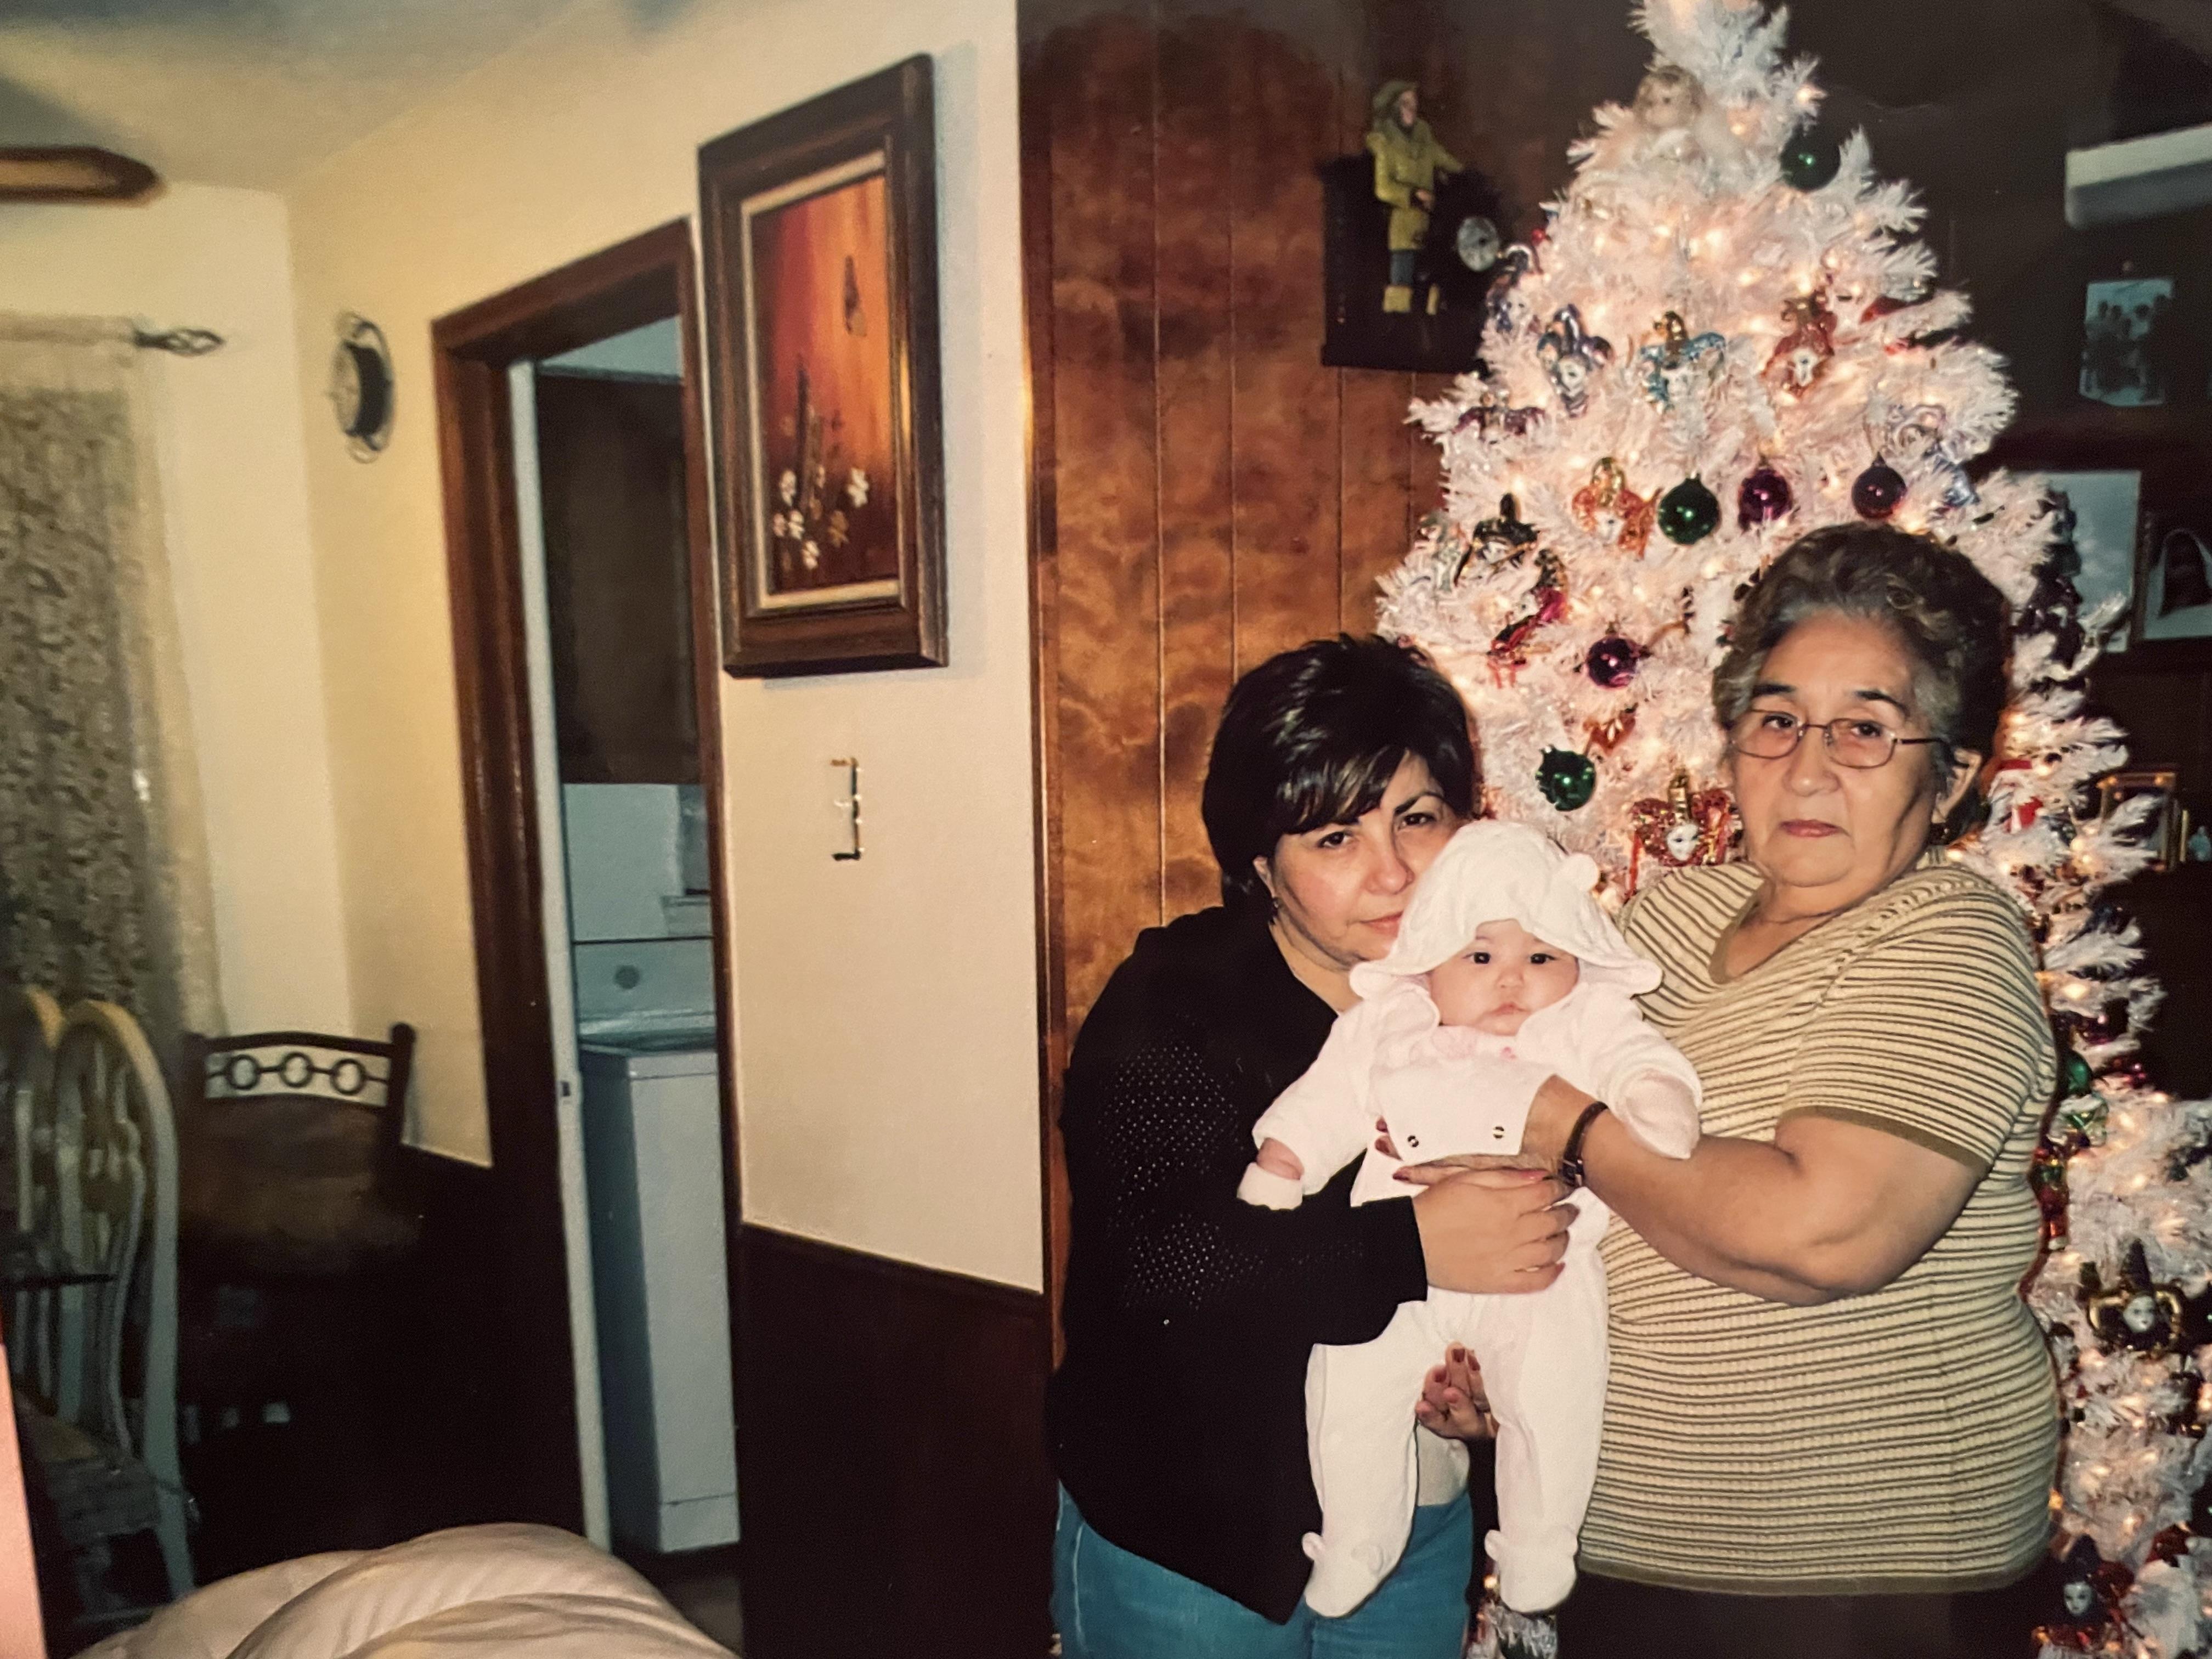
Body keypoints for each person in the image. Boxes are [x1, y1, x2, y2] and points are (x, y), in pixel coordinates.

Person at [1415, 526, 2059, 1657]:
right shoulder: (1662, 921)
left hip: (1858, 1587)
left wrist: (1570, 1122)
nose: (1808, 769)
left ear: (1950, 774)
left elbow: (1816, 1233)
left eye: (1866, 728)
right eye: (1775, 720)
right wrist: (1498, 1377)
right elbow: (1566, 1191)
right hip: (1624, 1561)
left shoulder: (1951, 936)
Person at [1046, 636, 1572, 1658]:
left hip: (1415, 1523)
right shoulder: (1171, 1002)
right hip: (1196, 1536)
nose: (1392, 871)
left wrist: (1485, 1393)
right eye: (1335, 837)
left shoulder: (1515, 989)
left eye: (1418, 817)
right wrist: (1414, 1245)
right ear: (1261, 865)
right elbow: (1166, 1264)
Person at [1238, 821, 1700, 1618]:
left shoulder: (1581, 1020)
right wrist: (1283, 1162)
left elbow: (1643, 1064)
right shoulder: (1397, 1024)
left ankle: (1539, 1539)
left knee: (1555, 1395)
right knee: (1349, 1385)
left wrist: (1657, 1108)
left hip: (1540, 1268)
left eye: (1541, 957)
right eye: (1481, 957)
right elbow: (1331, 1094)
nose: (1513, 981)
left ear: (1577, 962)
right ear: (1432, 962)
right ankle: (1356, 1532)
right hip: (1401, 1270)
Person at [1367, 82, 1460, 316]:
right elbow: (1383, 187)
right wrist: (1412, 195)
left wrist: (1466, 174)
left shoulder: (1424, 136)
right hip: (1404, 230)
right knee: (1402, 294)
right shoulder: (1386, 143)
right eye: (1405, 104)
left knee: (1431, 292)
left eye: (1414, 103)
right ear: (1395, 108)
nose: (1411, 109)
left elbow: (1445, 160)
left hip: (1430, 229)